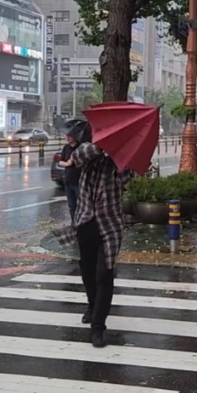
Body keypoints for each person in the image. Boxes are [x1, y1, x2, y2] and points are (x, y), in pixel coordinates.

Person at [69, 142, 135, 348]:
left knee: (104, 275)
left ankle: (98, 327)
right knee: (87, 270)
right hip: (85, 221)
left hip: (110, 226)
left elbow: (125, 177)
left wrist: (120, 155)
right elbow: (77, 157)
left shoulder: (123, 160)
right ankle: (92, 305)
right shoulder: (89, 151)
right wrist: (103, 146)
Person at [59, 134, 81, 223]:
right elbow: (61, 161)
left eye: (69, 136)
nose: (67, 138)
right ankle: (74, 224)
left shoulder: (80, 148)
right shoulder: (66, 148)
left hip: (78, 181)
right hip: (68, 181)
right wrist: (67, 164)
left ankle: (81, 225)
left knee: (81, 205)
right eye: (66, 136)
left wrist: (73, 160)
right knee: (72, 206)